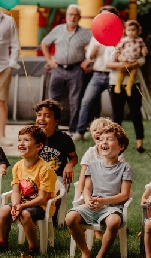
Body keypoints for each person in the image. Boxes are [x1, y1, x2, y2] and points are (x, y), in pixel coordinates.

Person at [65, 123, 132, 258]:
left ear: (121, 146)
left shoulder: (125, 168)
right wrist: (88, 199)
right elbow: (87, 188)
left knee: (113, 222)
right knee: (70, 218)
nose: (103, 142)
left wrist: (104, 201)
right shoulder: (92, 165)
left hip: (112, 208)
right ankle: (85, 252)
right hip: (93, 205)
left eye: (109, 139)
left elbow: (124, 194)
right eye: (101, 140)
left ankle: (101, 255)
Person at [0, 125, 57, 256]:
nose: (21, 143)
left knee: (25, 214)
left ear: (39, 146)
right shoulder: (17, 167)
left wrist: (21, 206)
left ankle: (34, 248)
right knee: (3, 209)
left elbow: (42, 198)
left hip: (41, 206)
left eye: (26, 140)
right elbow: (15, 191)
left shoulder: (45, 169)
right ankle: (2, 243)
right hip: (23, 203)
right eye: (19, 140)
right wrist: (15, 205)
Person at [41, 4, 92, 135]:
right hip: (57, 69)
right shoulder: (58, 29)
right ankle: (52, 130)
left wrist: (89, 60)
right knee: (53, 101)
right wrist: (49, 60)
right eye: (71, 14)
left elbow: (97, 45)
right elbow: (44, 43)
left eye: (76, 15)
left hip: (76, 69)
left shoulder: (86, 33)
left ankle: (73, 130)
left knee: (75, 101)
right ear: (66, 15)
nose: (73, 17)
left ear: (79, 17)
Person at [72, 5, 119, 141]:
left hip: (113, 75)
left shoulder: (118, 35)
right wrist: (93, 53)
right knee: (86, 101)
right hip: (98, 75)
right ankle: (79, 132)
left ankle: (114, 134)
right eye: (102, 16)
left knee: (114, 107)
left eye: (107, 16)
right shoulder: (96, 35)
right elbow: (89, 57)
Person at [76, 117, 125, 240]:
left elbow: (118, 177)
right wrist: (80, 196)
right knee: (83, 201)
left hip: (109, 189)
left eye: (101, 130)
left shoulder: (117, 153)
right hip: (91, 188)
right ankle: (93, 231)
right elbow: (83, 176)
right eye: (94, 130)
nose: (97, 132)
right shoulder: (90, 153)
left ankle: (107, 226)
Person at [33, 99, 78, 224]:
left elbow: (74, 157)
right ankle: (33, 211)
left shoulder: (64, 139)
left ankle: (50, 216)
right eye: (39, 115)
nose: (42, 118)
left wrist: (69, 165)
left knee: (56, 185)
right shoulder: (32, 137)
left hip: (56, 175)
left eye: (47, 116)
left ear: (56, 121)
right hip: (35, 175)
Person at [105, 42, 146, 153]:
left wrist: (131, 65)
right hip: (115, 83)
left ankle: (140, 144)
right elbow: (106, 64)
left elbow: (142, 59)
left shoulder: (134, 42)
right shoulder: (111, 45)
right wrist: (121, 66)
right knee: (117, 114)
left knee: (136, 113)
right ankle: (116, 143)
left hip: (133, 83)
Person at [0, 10, 20, 146]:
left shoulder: (8, 21)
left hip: (3, 67)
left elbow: (15, 44)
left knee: (1, 101)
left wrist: (11, 64)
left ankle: (1, 136)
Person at [114, 20, 148, 97]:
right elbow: (119, 48)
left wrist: (144, 50)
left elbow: (143, 46)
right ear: (125, 31)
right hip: (125, 58)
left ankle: (128, 86)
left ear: (137, 31)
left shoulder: (139, 40)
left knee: (134, 71)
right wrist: (116, 55)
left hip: (134, 59)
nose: (131, 32)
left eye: (133, 30)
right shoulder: (124, 40)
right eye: (129, 30)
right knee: (122, 70)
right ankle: (118, 85)